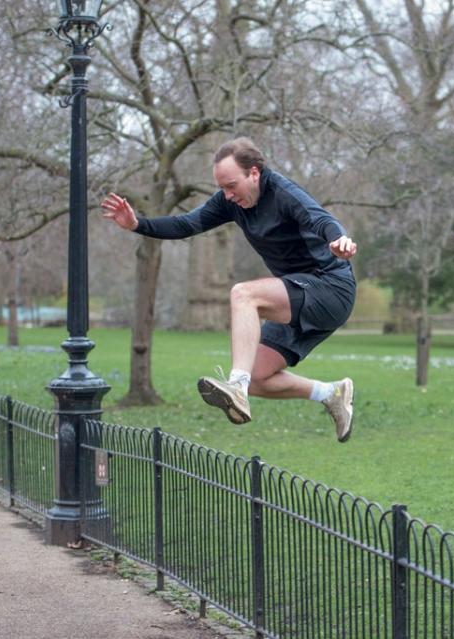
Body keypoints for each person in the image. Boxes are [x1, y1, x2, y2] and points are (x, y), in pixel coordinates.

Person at [101, 138, 358, 442]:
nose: (227, 194)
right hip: (298, 296)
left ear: (254, 173)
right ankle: (331, 394)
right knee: (258, 377)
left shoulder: (284, 194)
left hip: (330, 288)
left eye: (231, 185)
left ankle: (236, 384)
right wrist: (137, 225)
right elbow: (187, 224)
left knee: (244, 294)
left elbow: (322, 220)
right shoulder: (229, 202)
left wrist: (340, 240)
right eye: (222, 187)